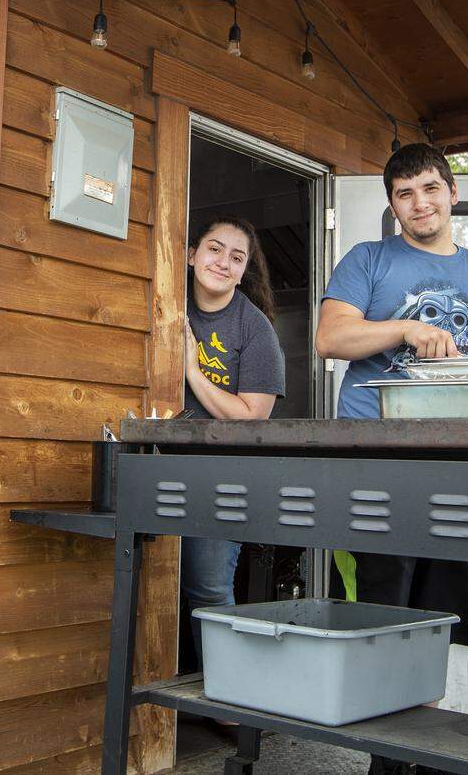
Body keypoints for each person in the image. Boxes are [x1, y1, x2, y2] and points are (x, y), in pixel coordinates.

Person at [316, 143, 468, 775]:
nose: (420, 203)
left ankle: (426, 753)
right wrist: (404, 330)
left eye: (431, 189)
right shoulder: (368, 259)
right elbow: (331, 337)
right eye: (405, 194)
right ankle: (386, 760)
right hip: (378, 461)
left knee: (446, 615)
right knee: (385, 613)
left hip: (462, 466)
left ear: (453, 193)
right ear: (392, 205)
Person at [181, 215, 286, 665]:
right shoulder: (165, 302)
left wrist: (192, 372)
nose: (223, 262)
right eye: (215, 249)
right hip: (158, 468)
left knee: (207, 586)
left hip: (222, 479)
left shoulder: (254, 328)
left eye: (236, 257)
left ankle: (226, 703)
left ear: (244, 271)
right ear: (191, 254)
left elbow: (251, 417)